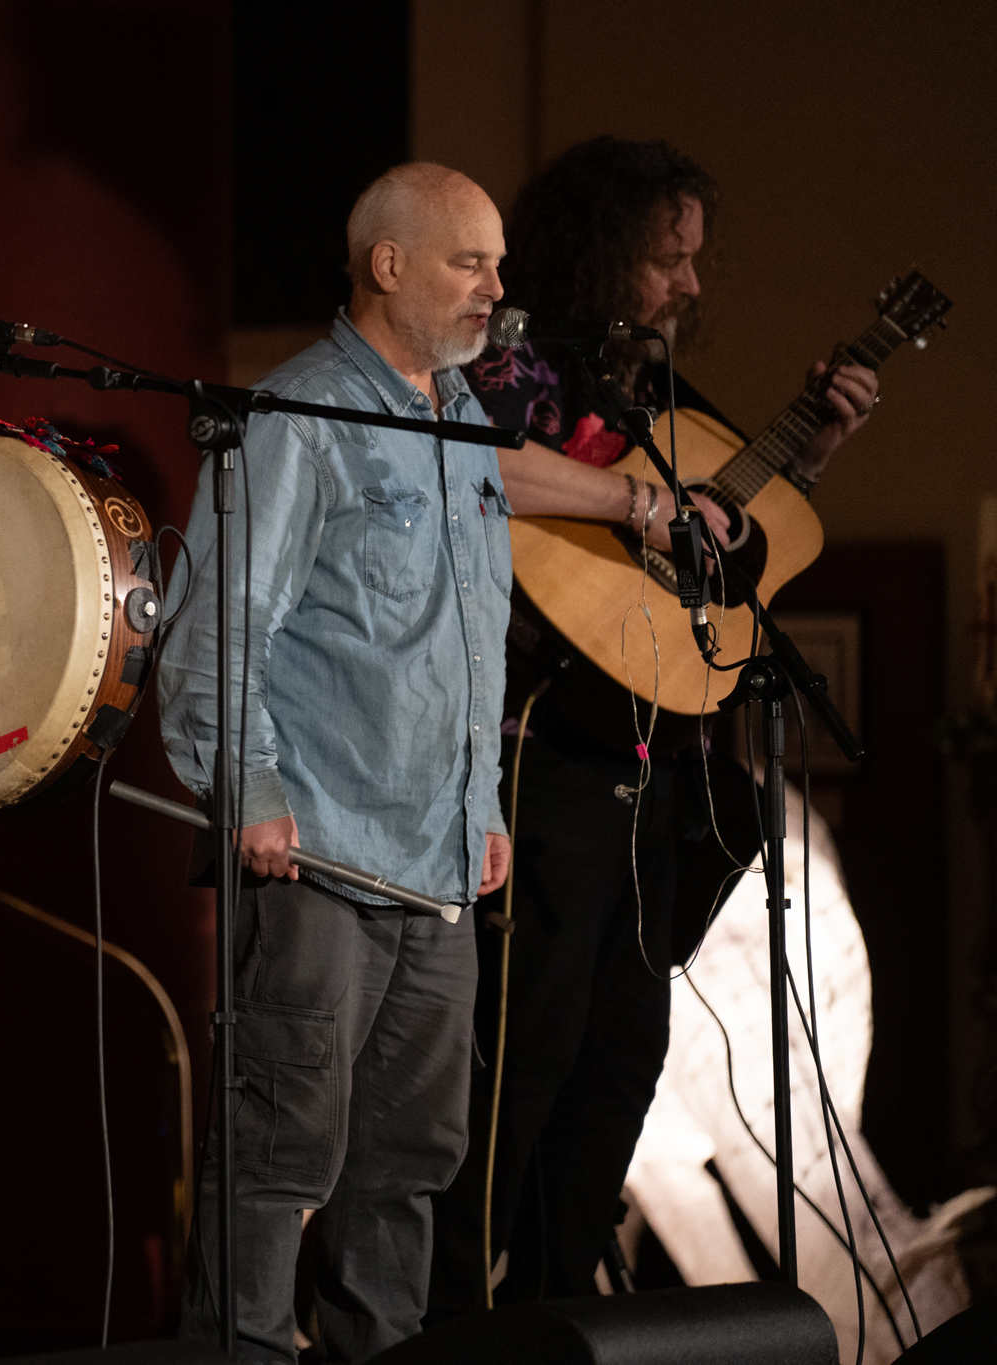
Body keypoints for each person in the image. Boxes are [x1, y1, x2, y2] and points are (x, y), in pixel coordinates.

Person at [426, 136, 878, 1313]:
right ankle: (448, 1323)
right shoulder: (513, 366)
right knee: (525, 1053)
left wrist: (809, 454)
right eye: (664, 257)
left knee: (620, 1058)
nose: (688, 284)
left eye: (691, 259)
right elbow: (472, 467)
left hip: (657, 770)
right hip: (543, 756)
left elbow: (713, 532)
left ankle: (554, 1311)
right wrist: (632, 503)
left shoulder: (647, 392)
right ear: (598, 251)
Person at [157, 162, 516, 1364]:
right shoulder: (297, 413)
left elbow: (469, 639)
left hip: (438, 868)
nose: (493, 287)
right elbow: (218, 627)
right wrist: (250, 789)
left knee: (406, 1168)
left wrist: (482, 805)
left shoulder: (464, 423)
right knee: (276, 1159)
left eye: (496, 263)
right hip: (314, 856)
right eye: (469, 261)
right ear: (388, 264)